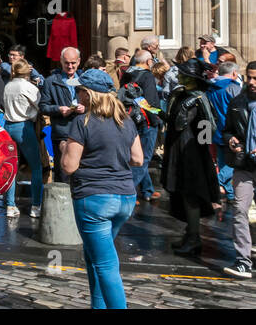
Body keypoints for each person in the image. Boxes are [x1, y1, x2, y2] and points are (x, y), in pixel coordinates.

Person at [61, 69, 143, 309]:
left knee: (106, 265)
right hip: (125, 197)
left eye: (79, 90)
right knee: (94, 256)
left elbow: (69, 166)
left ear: (88, 94)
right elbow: (137, 159)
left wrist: (65, 146)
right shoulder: (125, 121)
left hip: (94, 199)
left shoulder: (82, 122)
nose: (76, 94)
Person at [161, 59, 223, 258]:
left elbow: (208, 128)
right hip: (176, 149)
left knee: (191, 193)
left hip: (192, 153)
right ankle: (189, 234)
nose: (178, 76)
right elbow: (172, 121)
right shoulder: (180, 94)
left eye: (183, 74)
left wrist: (200, 148)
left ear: (192, 78)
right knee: (180, 191)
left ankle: (194, 237)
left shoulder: (199, 98)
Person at [221, 62, 256, 278]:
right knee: (239, 210)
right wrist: (231, 140)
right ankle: (243, 260)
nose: (251, 82)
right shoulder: (238, 102)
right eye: (249, 77)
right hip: (244, 165)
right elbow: (226, 130)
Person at [2, 60, 44, 218]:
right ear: (27, 72)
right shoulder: (28, 87)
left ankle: (10, 205)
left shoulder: (8, 86)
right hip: (23, 127)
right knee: (36, 167)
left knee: (11, 167)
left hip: (8, 126)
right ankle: (36, 206)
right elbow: (39, 103)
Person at [119, 50, 163, 202]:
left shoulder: (127, 73)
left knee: (136, 154)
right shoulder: (147, 75)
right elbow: (150, 102)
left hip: (131, 119)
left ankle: (147, 190)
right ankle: (128, 192)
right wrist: (159, 117)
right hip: (147, 121)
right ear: (148, 61)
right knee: (143, 158)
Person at [39, 46, 84, 181]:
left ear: (79, 61)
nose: (70, 66)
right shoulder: (51, 81)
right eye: (66, 63)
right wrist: (59, 109)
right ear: (61, 61)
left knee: (82, 173)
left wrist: (85, 108)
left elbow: (96, 103)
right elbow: (43, 107)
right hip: (62, 134)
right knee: (63, 174)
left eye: (73, 63)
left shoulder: (85, 80)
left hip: (83, 131)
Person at [206, 61, 242, 203]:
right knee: (234, 163)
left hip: (215, 130)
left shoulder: (210, 88)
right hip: (231, 131)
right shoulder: (233, 88)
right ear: (234, 73)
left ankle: (231, 195)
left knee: (223, 162)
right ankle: (215, 182)